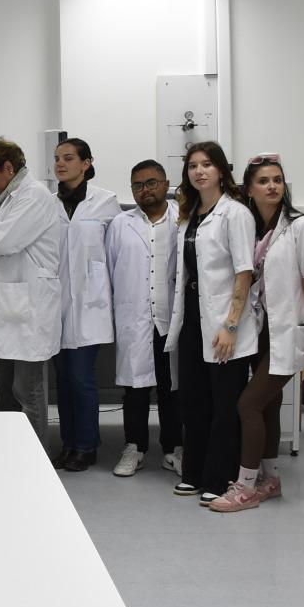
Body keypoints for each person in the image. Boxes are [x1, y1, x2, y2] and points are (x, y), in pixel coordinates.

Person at [210, 154, 304, 513]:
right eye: (263, 181)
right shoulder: (254, 228)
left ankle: (246, 486)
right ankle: (270, 478)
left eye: (277, 180)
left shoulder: (300, 227)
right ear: (249, 188)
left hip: (288, 332)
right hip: (261, 330)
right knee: (269, 404)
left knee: (248, 404)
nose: (273, 186)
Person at [166, 142, 258, 504]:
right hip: (192, 317)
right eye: (193, 166)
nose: (199, 171)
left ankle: (220, 478)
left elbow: (245, 272)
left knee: (224, 405)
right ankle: (194, 472)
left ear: (221, 171)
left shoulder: (235, 213)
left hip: (224, 322)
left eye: (207, 164)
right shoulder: (190, 213)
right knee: (193, 400)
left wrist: (231, 325)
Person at [0, 137, 66, 443]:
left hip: (29, 306)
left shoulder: (33, 196)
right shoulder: (7, 198)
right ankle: (11, 452)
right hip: (11, 305)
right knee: (6, 386)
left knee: (28, 390)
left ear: (8, 168)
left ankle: (36, 459)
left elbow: (0, 243)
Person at [106, 159, 183, 478]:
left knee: (172, 387)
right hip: (134, 317)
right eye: (138, 185)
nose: (145, 190)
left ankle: (173, 448)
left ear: (165, 184)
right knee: (135, 389)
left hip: (171, 317)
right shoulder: (120, 224)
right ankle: (134, 447)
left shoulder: (183, 219)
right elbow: (111, 270)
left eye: (151, 183)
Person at [51, 137, 120, 472]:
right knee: (63, 381)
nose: (60, 164)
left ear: (86, 163)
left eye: (68, 158)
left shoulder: (106, 202)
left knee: (81, 378)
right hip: (56, 305)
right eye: (57, 158)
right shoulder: (49, 204)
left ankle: (86, 445)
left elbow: (115, 255)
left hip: (91, 305)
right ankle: (68, 443)